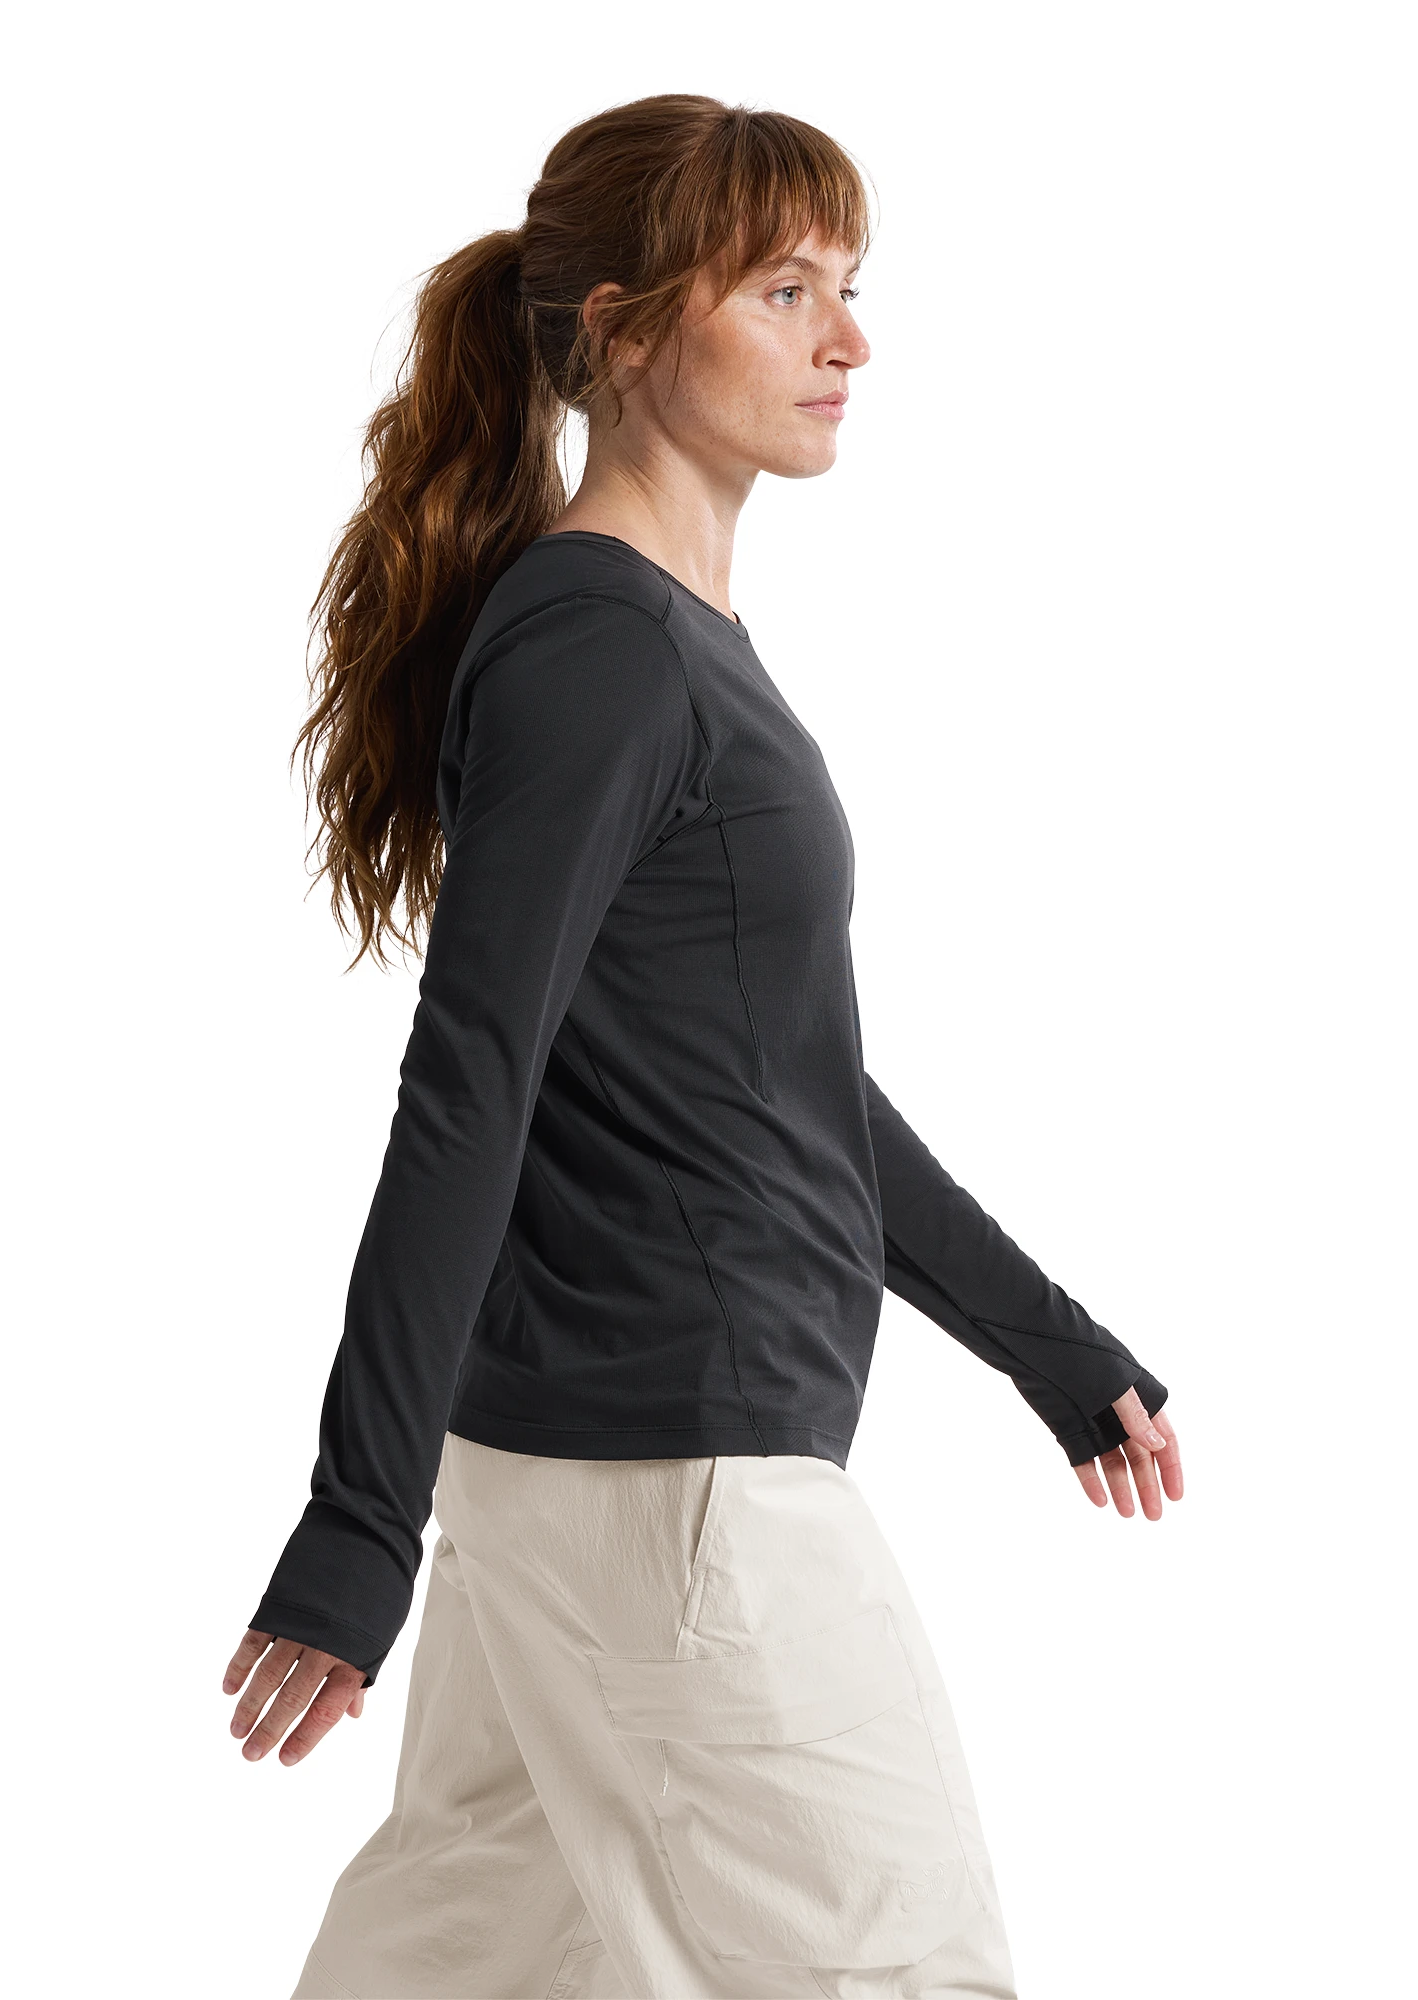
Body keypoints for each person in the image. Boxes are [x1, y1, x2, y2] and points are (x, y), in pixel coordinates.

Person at [223, 93, 1183, 2000]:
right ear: (630, 328)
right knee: (899, 1968)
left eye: (850, 285)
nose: (850, 341)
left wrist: (1052, 1349)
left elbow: (779, 1077)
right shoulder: (605, 649)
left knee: (461, 1969)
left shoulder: (654, 641)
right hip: (680, 1479)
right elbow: (470, 1079)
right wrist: (356, 1521)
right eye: (784, 290)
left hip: (583, 1472)